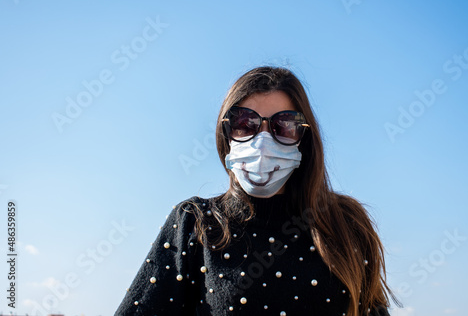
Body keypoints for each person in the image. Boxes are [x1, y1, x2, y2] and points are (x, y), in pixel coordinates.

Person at [115, 66, 396, 315]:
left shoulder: (346, 223)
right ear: (226, 132)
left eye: (284, 125)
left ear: (304, 139)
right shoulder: (195, 222)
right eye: (243, 123)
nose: (262, 141)